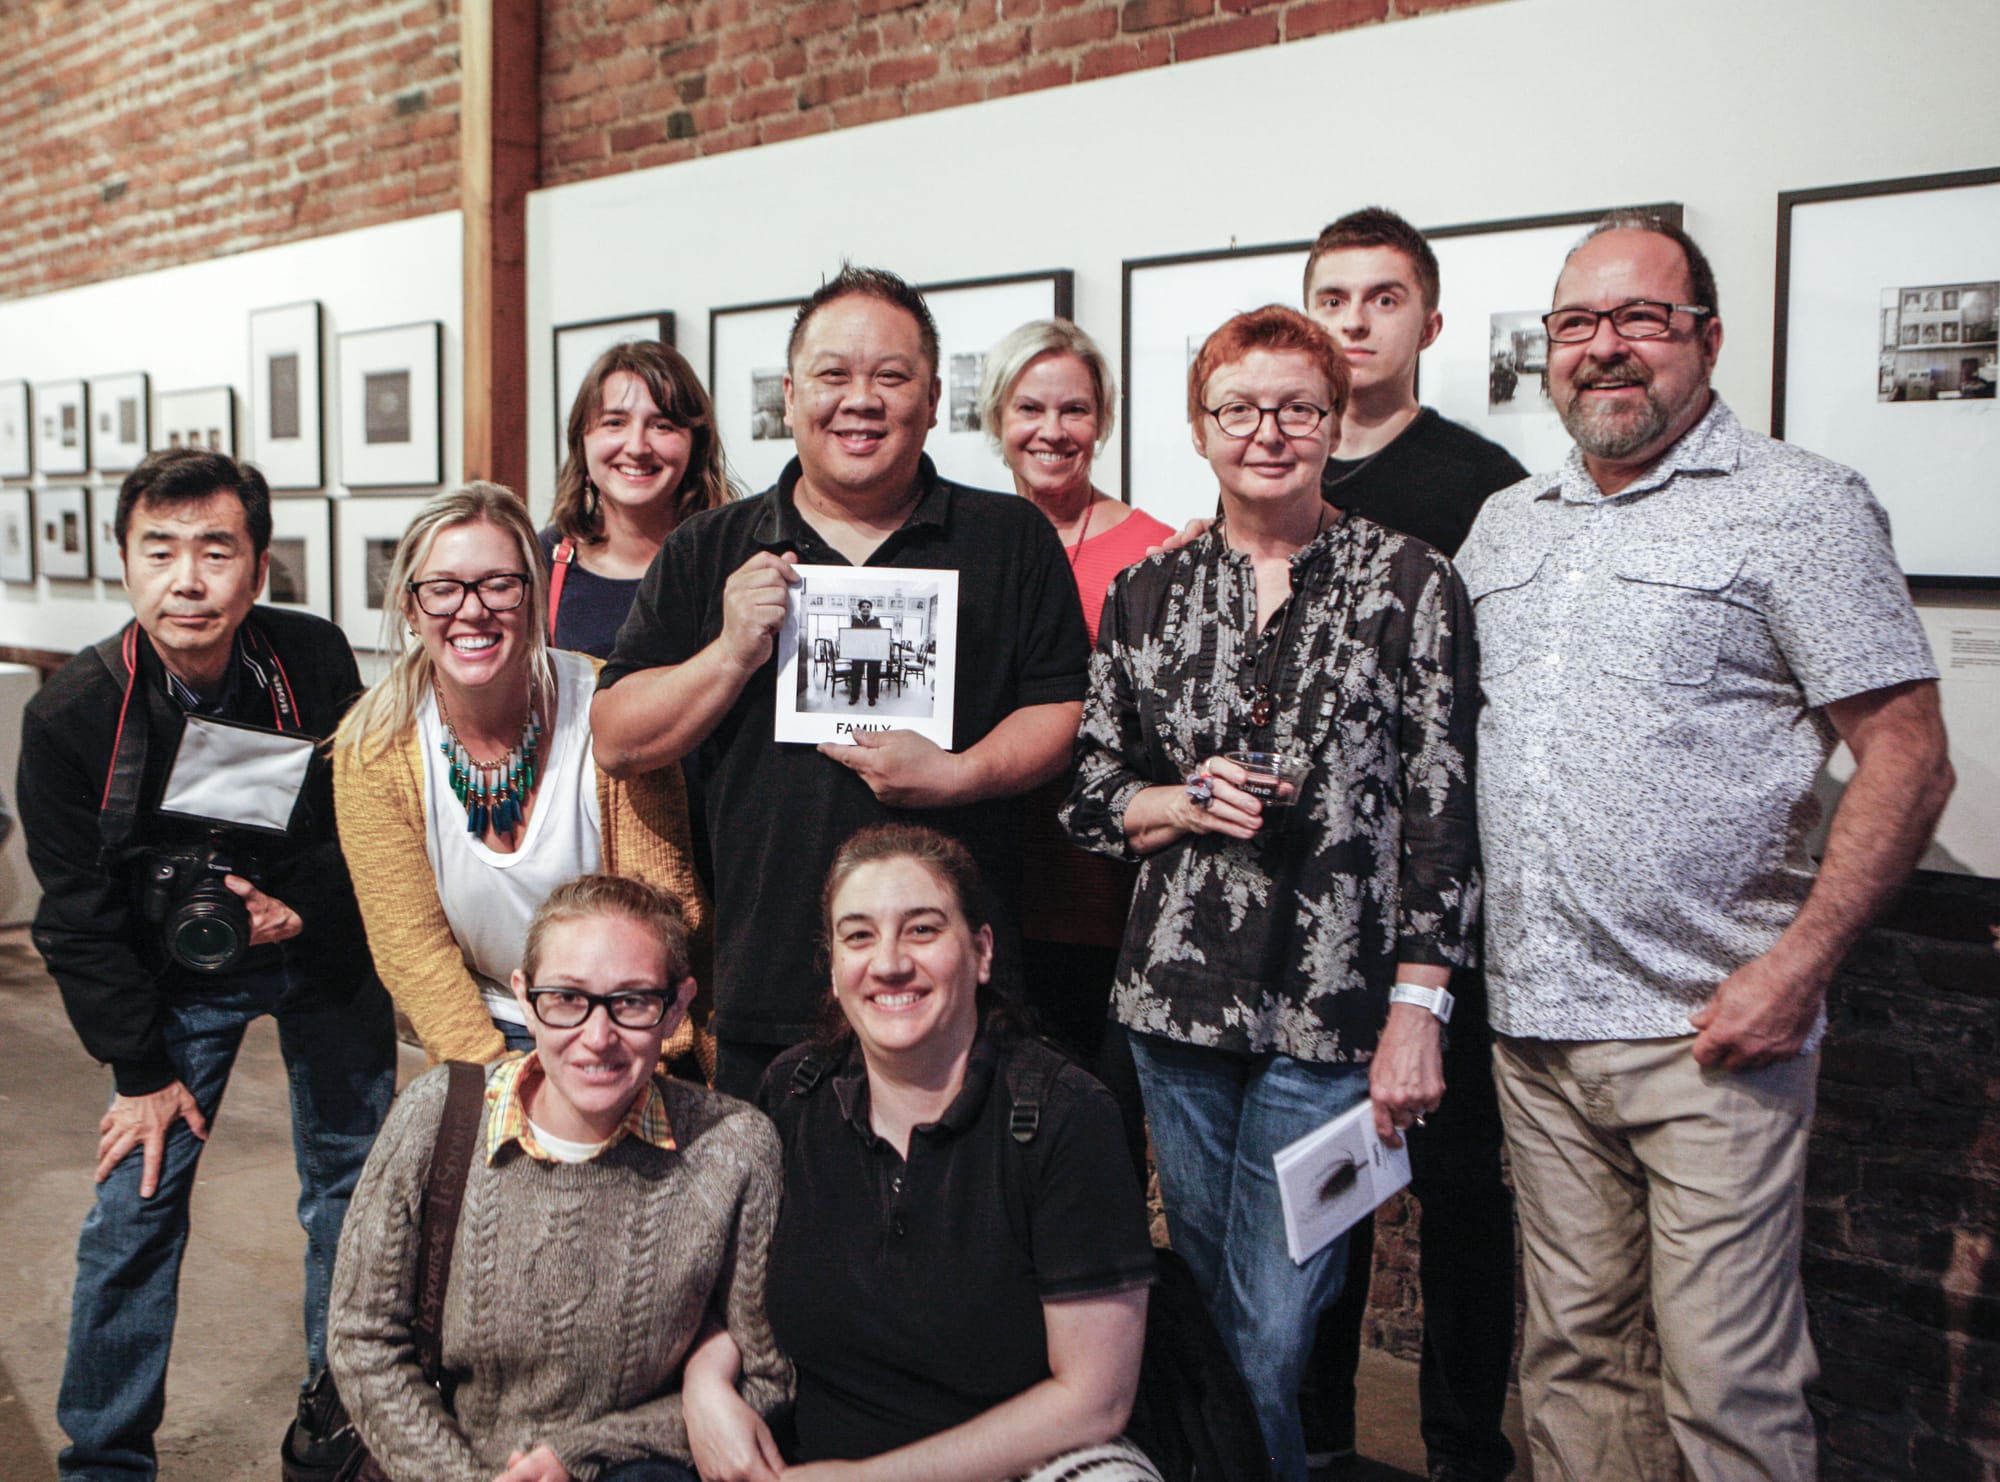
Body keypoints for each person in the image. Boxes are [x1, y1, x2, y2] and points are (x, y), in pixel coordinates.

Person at [1454, 215, 1954, 1482]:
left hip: (1707, 1036)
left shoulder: (1799, 506)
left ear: (1707, 339)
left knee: (1728, 1388)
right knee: (1571, 1363)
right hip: (1535, 1031)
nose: (1604, 347)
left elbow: (1907, 758)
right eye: (1576, 323)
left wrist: (1796, 969)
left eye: (1642, 318)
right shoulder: (1505, 525)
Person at [1063, 305, 1480, 1482]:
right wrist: (1180, 801)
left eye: (1297, 407)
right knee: (1209, 1307)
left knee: (1273, 1321)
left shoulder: (1411, 582)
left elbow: (1441, 812)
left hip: (1336, 1012)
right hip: (1174, 1008)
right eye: (1238, 408)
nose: (1268, 431)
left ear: (1334, 424)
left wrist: (1420, 1009)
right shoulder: (1145, 590)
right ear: (1199, 429)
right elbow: (1091, 796)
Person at [592, 265, 1090, 1100]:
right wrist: (729, 653)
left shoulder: (1010, 539)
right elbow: (616, 738)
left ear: (933, 399)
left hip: (958, 992)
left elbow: (1063, 707)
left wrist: (959, 774)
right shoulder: (706, 549)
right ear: (789, 398)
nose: (860, 400)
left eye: (891, 377)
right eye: (833, 375)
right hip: (769, 989)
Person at [17, 448, 396, 1480]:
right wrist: (138, 1070)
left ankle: (342, 1429)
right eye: (161, 551)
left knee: (352, 1193)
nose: (187, 580)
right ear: (125, 564)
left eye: (215, 551)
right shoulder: (72, 716)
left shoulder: (308, 658)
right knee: (134, 1207)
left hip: (317, 950)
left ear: (259, 568)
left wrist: (303, 908)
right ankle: (105, 1459)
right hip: (170, 980)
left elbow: (364, 819)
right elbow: (77, 918)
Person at [683, 824, 1156, 1481]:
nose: (889, 963)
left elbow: (1095, 1397)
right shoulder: (792, 1095)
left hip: (1023, 1465)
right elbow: (716, 1288)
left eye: (923, 929)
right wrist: (704, 1384)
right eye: (858, 936)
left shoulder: (1065, 1115)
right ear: (833, 968)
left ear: (982, 952)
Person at [1298, 207, 1526, 1482]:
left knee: (1458, 1191)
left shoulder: (1482, 484)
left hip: (1441, 884)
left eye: (1381, 298)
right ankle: (1319, 1443)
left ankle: (1461, 1449)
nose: (1354, 321)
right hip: (1312, 894)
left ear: (1428, 322)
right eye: (1332, 297)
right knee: (1322, 1184)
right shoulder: (1278, 463)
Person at [328, 874, 789, 1482]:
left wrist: (582, 1455)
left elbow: (764, 1374)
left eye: (632, 1002)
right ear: (525, 996)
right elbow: (363, 1339)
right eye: (568, 998)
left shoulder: (733, 1150)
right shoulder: (437, 1117)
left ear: (677, 1007)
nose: (597, 1038)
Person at [334, 482, 706, 1066]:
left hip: (627, 1026)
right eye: (442, 589)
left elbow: (662, 912)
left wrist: (639, 1063)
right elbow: (412, 949)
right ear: (410, 609)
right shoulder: (374, 745)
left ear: (533, 595)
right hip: (482, 1029)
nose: (472, 609)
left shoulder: (610, 710)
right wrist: (495, 1078)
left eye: (499, 584)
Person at [974, 317, 1171, 1167]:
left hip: (1104, 889)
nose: (1051, 431)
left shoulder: (1155, 551)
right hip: (989, 871)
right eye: (1030, 408)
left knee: (1099, 1124)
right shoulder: (966, 541)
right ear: (996, 418)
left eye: (1075, 410)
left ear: (1103, 420)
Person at [544, 340, 736, 659]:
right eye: (614, 423)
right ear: (582, 439)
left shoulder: (732, 563)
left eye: (662, 425)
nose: (637, 447)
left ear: (696, 445)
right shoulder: (543, 562)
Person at [842, 597, 884, 706]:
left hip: (873, 652)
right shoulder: (855, 620)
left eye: (868, 607)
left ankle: (872, 697)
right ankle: (854, 696)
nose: (866, 608)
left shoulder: (876, 620)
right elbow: (851, 636)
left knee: (873, 674)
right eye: (863, 607)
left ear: (870, 609)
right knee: (855, 675)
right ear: (860, 609)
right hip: (858, 651)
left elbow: (880, 636)